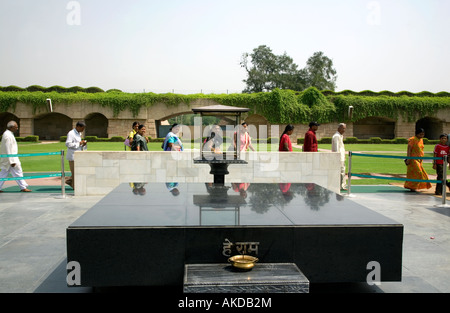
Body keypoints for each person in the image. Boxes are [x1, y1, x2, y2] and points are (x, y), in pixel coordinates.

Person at [0, 121, 31, 193]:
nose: (17, 128)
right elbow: (8, 149)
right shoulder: (7, 135)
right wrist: (12, 161)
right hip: (10, 159)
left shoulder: (8, 134)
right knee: (17, 172)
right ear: (11, 127)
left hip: (10, 158)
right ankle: (23, 187)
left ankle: (23, 186)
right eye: (16, 127)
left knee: (5, 173)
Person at [65, 121, 87, 189]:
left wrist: (83, 144)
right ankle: (75, 187)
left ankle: (69, 181)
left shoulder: (79, 133)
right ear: (78, 127)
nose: (83, 130)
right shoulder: (71, 133)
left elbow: (78, 144)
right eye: (82, 128)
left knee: (77, 171)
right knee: (75, 172)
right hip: (72, 156)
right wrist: (79, 144)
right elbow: (68, 144)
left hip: (78, 155)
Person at [332, 123, 347, 191]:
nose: (344, 130)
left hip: (341, 157)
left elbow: (341, 147)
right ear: (339, 128)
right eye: (343, 128)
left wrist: (344, 155)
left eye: (345, 128)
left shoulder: (340, 136)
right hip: (339, 158)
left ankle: (342, 185)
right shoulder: (336, 136)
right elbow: (336, 149)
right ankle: (340, 186)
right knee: (340, 172)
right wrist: (337, 158)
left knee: (342, 171)